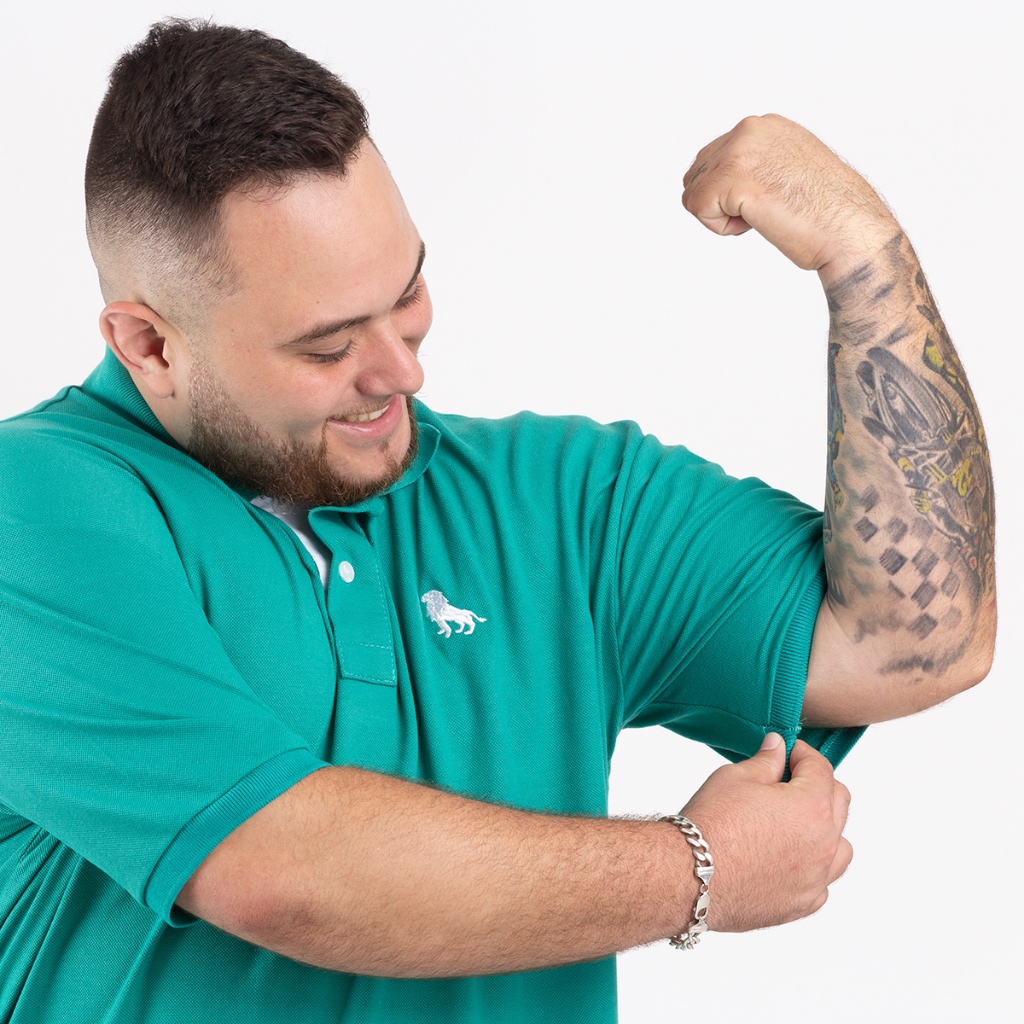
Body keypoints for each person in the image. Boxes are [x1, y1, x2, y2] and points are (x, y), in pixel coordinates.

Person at [0, 18, 995, 1024]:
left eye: (407, 295)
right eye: (329, 345)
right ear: (149, 344)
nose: (402, 370)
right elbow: (286, 871)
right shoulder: (35, 506)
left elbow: (914, 642)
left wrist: (864, 257)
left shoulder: (564, 499)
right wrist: (698, 868)